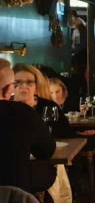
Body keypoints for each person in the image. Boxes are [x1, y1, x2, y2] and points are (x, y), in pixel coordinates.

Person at [0, 59, 55, 192]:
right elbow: (46, 151)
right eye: (15, 84)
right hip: (12, 195)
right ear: (7, 90)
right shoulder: (22, 112)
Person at [12, 64, 77, 140]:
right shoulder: (4, 108)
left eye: (29, 82)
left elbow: (67, 134)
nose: (24, 86)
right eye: (17, 82)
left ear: (36, 85)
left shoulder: (49, 106)